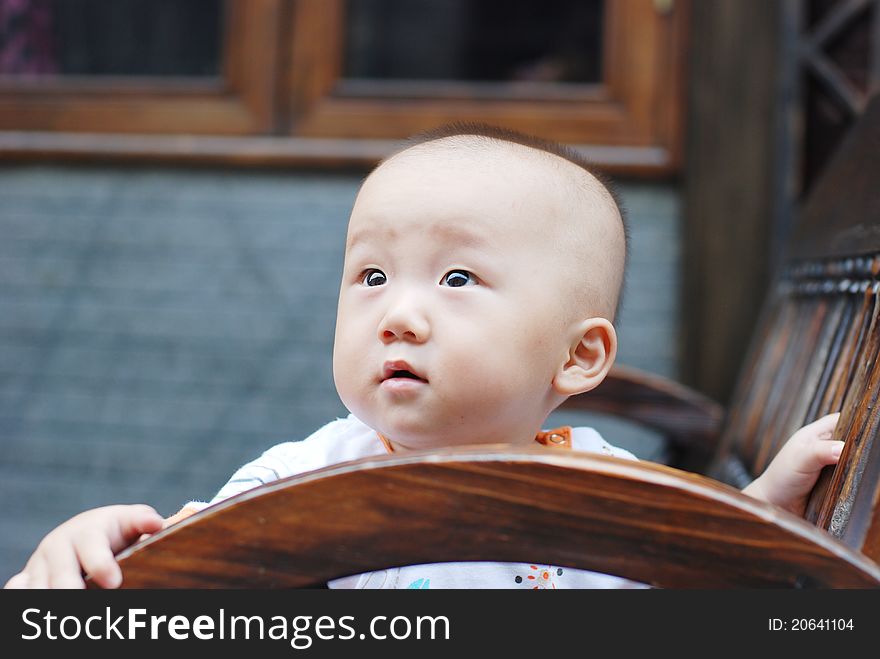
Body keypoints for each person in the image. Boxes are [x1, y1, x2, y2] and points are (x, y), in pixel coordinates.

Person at [4, 125, 844, 589]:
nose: (398, 314)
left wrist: (763, 507)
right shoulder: (301, 476)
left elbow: (695, 569)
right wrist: (92, 551)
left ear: (579, 354)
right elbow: (189, 571)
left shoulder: (603, 483)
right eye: (370, 274)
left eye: (456, 276)